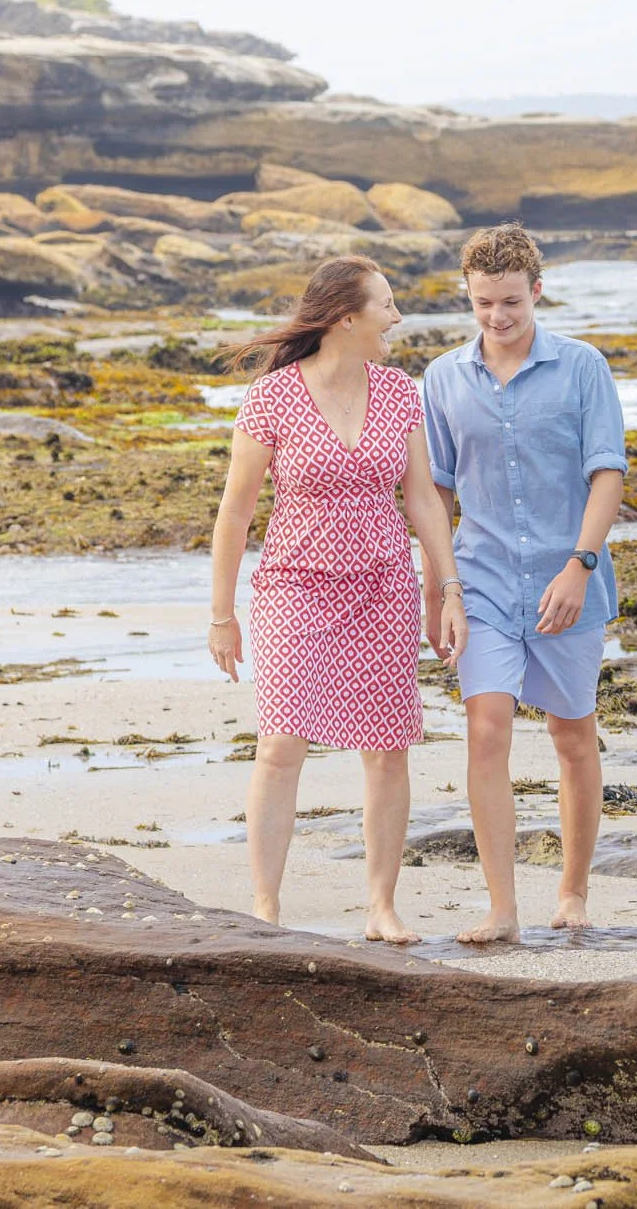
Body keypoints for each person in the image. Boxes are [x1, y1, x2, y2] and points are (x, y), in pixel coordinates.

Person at [208, 255, 468, 945]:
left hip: (384, 588)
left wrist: (448, 589)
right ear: (347, 318)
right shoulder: (272, 398)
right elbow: (234, 514)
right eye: (387, 304)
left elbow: (422, 501)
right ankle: (265, 903)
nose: (397, 317)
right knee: (281, 742)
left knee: (387, 749)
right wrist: (221, 613)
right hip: (295, 585)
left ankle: (381, 906)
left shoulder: (398, 392)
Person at [423, 224, 627, 943]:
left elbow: (608, 472)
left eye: (510, 301)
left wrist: (581, 563)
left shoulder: (582, 368)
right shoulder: (443, 377)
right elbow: (436, 492)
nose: (497, 317)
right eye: (482, 303)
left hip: (565, 580)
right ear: (468, 295)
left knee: (573, 735)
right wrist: (437, 586)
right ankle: (501, 906)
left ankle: (572, 890)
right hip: (478, 579)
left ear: (537, 291)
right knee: (486, 727)